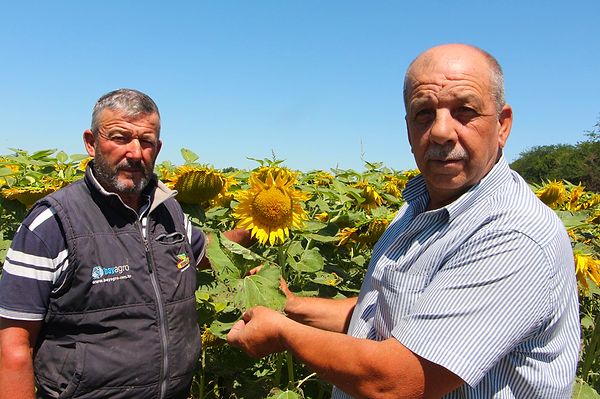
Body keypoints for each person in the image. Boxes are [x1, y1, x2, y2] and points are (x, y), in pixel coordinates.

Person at [227, 44, 581, 398]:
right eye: (424, 113)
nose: (441, 131)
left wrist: (283, 332)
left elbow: (396, 382)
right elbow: (381, 314)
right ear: (408, 127)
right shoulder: (417, 208)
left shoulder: (513, 234)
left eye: (465, 111)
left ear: (502, 125)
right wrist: (289, 305)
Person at [0, 89, 249, 399]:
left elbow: (206, 253)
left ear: (157, 149)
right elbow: (14, 346)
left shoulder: (168, 209)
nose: (135, 152)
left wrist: (257, 224)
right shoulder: (52, 224)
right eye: (119, 137)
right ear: (91, 143)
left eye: (146, 142)